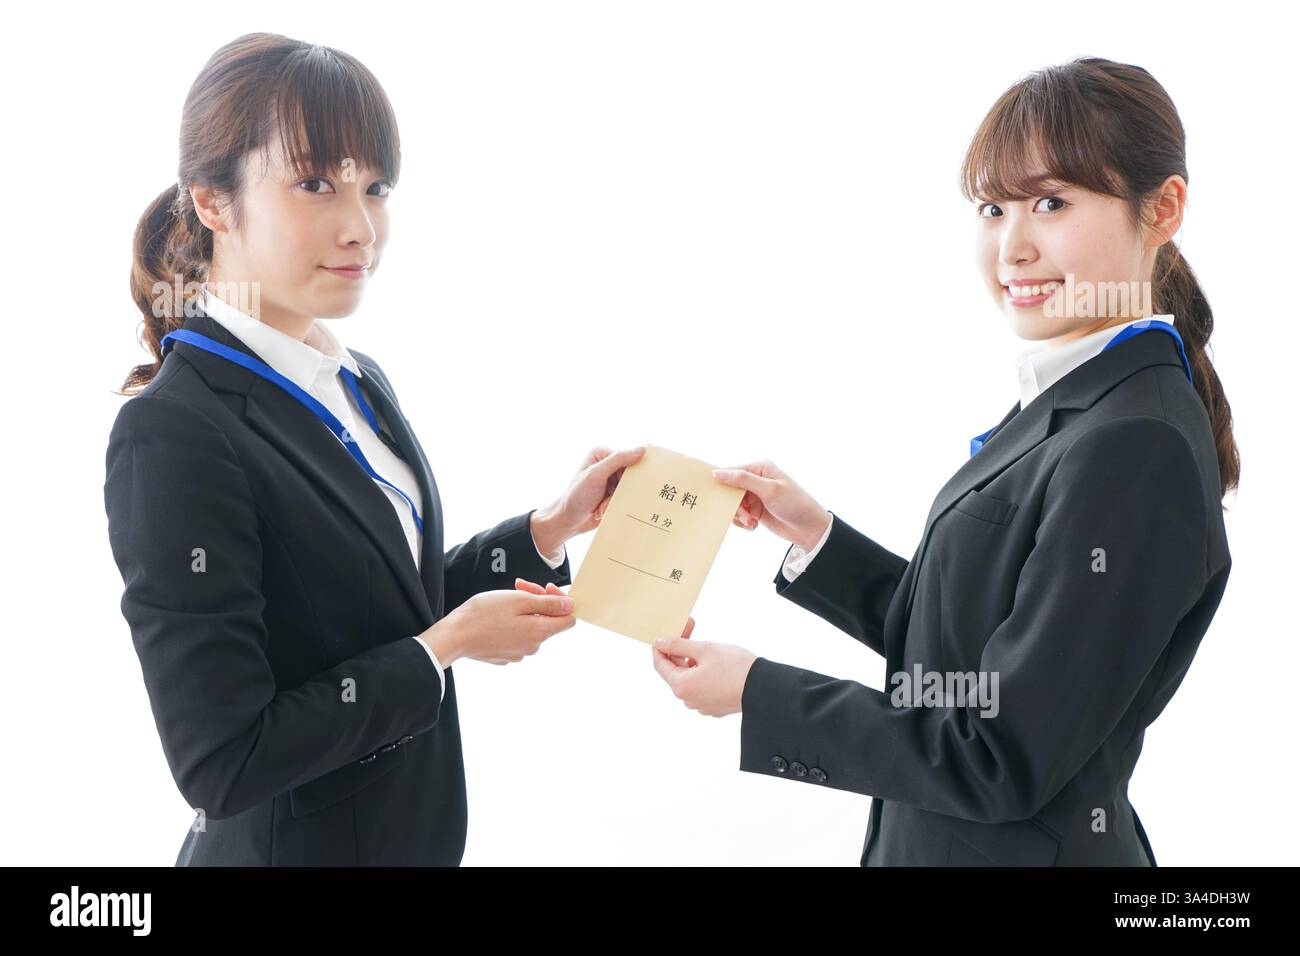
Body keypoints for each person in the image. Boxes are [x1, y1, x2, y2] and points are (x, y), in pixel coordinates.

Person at [648, 56, 1237, 866]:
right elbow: (968, 656)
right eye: (993, 207)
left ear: (1163, 208)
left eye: (1052, 203)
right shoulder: (1079, 398)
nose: (1013, 246)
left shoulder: (1137, 445)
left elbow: (1001, 752)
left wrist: (760, 693)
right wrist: (820, 539)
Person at [104, 32, 643, 865]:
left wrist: (544, 531)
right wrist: (446, 650)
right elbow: (224, 758)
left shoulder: (355, 379)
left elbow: (380, 609)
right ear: (213, 200)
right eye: (315, 183)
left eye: (376, 187)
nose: (361, 228)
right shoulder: (173, 432)